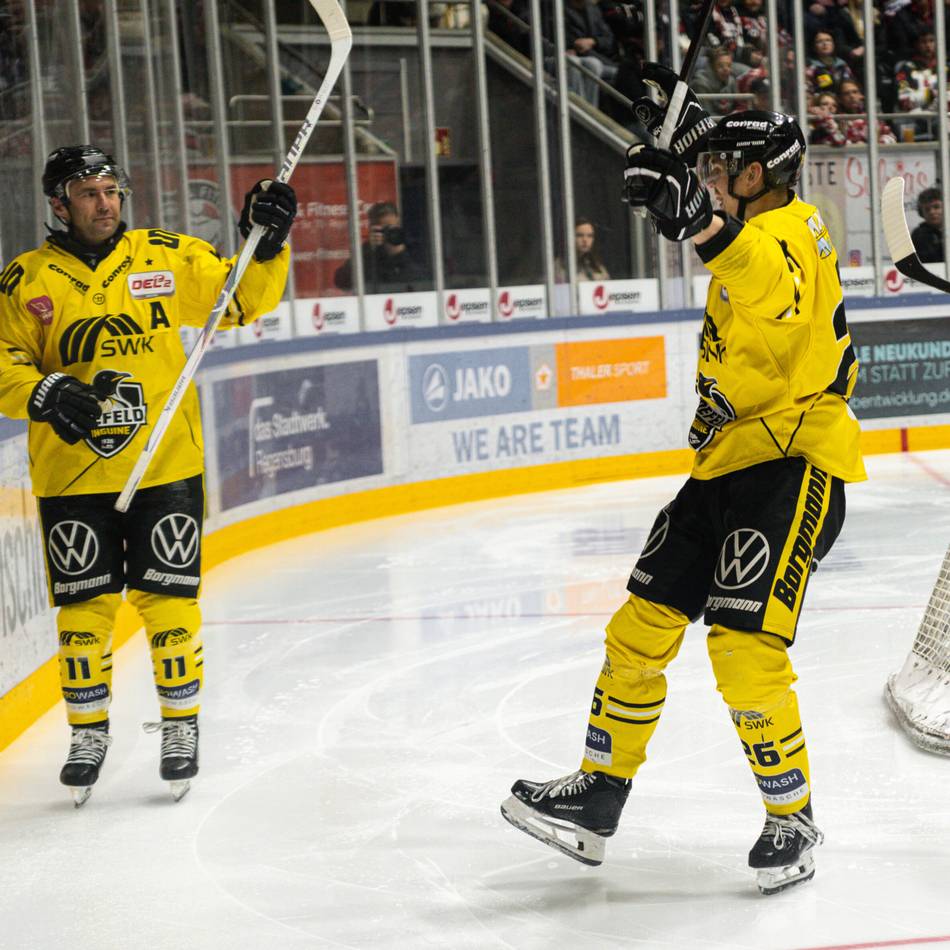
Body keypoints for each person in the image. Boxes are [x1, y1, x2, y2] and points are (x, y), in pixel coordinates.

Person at [501, 65, 865, 896]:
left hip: (790, 467)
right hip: (723, 469)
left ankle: (792, 817)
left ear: (753, 178)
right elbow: (731, 257)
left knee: (743, 647)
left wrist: (695, 217)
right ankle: (598, 796)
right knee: (639, 628)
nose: (709, 184)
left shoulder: (791, 235)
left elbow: (767, 288)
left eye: (720, 172)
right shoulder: (754, 226)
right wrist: (685, 127)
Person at [0, 145, 296, 805]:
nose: (105, 203)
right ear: (58, 204)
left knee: (169, 604)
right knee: (84, 612)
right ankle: (87, 732)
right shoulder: (26, 279)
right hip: (73, 477)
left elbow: (241, 299)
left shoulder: (167, 256)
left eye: (111, 190)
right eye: (88, 193)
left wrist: (267, 241)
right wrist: (45, 391)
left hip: (165, 464)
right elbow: (2, 361)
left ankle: (181, 726)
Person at [333, 201, 426, 294]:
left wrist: (400, 255)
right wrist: (368, 250)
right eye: (383, 230)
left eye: (391, 228)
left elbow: (422, 282)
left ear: (398, 224)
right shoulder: (366, 252)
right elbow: (341, 282)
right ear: (371, 228)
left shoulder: (411, 245)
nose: (388, 233)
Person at [564, 0, 619, 107]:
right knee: (593, 65)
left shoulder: (593, 9)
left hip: (600, 58)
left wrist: (593, 41)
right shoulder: (561, 9)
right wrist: (575, 44)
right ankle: (588, 110)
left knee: (624, 74)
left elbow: (609, 40)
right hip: (579, 58)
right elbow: (573, 43)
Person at [837, 79, 898, 144]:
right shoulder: (836, 119)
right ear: (840, 99)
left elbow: (891, 137)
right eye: (846, 93)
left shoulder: (871, 116)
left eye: (855, 92)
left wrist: (878, 142)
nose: (852, 96)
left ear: (861, 95)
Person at [911, 186, 944, 263]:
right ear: (921, 213)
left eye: (936, 207)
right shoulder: (918, 234)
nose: (932, 212)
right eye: (927, 209)